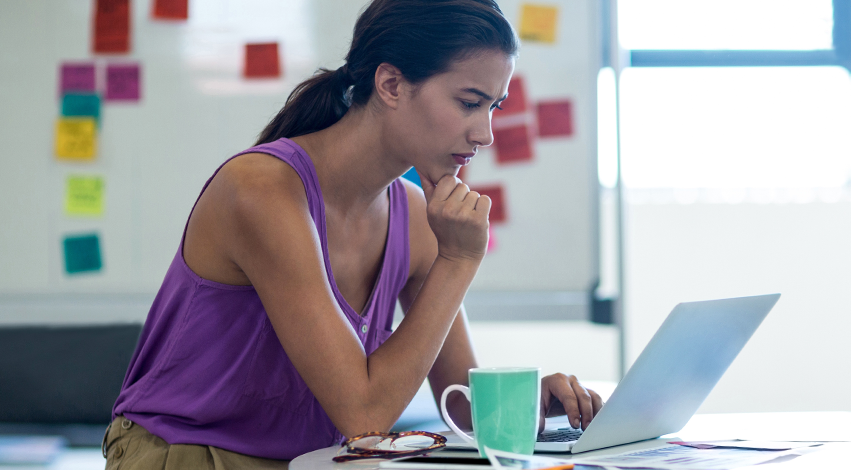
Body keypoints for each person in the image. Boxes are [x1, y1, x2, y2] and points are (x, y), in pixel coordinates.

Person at [102, 0, 603, 467]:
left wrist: (529, 402)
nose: (485, 133)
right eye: (469, 102)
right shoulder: (262, 191)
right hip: (187, 455)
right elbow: (365, 419)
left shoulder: (411, 212)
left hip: (311, 461)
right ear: (390, 85)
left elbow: (463, 412)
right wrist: (458, 262)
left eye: (493, 107)